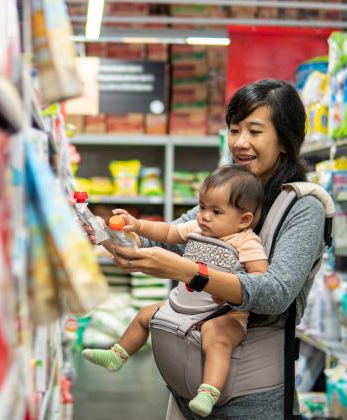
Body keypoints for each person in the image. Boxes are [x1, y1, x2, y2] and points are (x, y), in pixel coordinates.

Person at [86, 79, 326, 419]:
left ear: (285, 140)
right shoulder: (226, 192)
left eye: (255, 132)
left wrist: (188, 272)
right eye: (234, 129)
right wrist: (122, 238)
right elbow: (167, 238)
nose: (240, 143)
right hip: (187, 388)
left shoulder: (302, 207)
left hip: (250, 398)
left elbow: (276, 293)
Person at [81, 165, 267, 417]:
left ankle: (209, 391)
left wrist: (231, 289)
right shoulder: (197, 229)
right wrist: (136, 225)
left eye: (215, 211)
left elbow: (259, 281)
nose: (204, 216)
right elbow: (167, 231)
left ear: (244, 220)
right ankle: (118, 355)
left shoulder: (246, 242)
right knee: (145, 314)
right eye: (201, 207)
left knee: (217, 337)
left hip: (223, 313)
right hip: (185, 305)